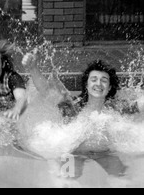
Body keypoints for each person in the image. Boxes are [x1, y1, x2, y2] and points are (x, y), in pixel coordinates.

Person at [22, 51, 142, 179]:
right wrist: (33, 68)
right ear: (87, 84)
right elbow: (46, 91)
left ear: (109, 87)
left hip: (105, 153)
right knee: (68, 181)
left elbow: (139, 105)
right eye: (94, 80)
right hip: (74, 153)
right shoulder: (73, 108)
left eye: (104, 80)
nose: (98, 84)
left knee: (122, 178)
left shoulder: (115, 108)